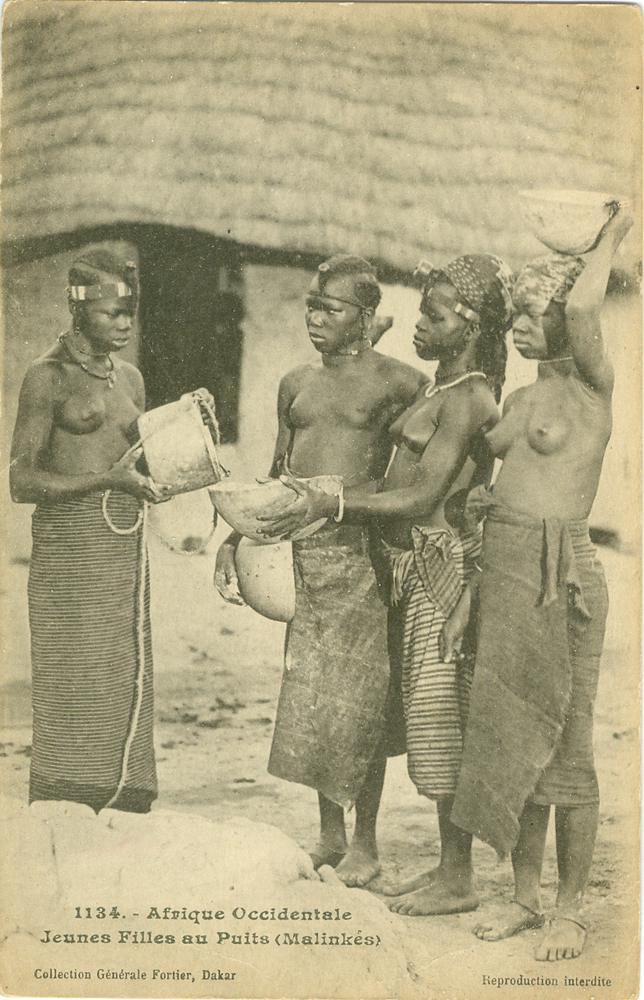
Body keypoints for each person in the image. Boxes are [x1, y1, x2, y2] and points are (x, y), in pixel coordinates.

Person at [263, 254, 514, 915]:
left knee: (439, 724)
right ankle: (442, 869)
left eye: (433, 316)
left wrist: (337, 506)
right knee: (406, 715)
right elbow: (391, 480)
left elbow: (424, 493)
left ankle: (456, 876)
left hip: (435, 566)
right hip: (400, 565)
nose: (420, 326)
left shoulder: (470, 397)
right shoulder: (441, 387)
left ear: (468, 324)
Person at [440, 207, 633, 960]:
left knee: (568, 745)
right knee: (514, 738)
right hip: (505, 574)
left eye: (533, 313)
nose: (519, 326)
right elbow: (486, 493)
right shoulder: (520, 401)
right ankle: (523, 894)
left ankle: (572, 906)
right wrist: (466, 597)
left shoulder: (592, 388)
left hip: (565, 579)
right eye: (515, 313)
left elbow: (586, 303)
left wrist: (609, 234)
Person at [215, 255, 426, 885]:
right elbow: (280, 475)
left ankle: (366, 842)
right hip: (304, 559)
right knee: (315, 699)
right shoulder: (295, 383)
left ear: (365, 317)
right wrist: (235, 537)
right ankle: (331, 837)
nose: (315, 317)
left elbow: (413, 474)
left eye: (331, 308)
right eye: (312, 304)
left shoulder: (401, 383)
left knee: (364, 704)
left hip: (363, 557)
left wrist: (400, 546)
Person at [10, 247, 172, 813]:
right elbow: (22, 480)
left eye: (130, 311)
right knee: (72, 675)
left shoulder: (130, 377)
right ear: (78, 310)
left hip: (122, 546)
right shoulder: (47, 377)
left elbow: (138, 463)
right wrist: (108, 480)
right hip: (70, 548)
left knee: (122, 669)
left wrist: (184, 451)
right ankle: (66, 802)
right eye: (111, 313)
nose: (125, 323)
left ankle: (125, 797)